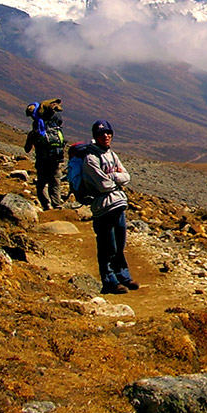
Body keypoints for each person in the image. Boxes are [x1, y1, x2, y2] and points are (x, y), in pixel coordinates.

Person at [81, 119, 138, 294]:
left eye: (108, 133)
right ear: (95, 137)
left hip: (118, 204)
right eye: (101, 134)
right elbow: (103, 185)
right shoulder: (90, 159)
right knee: (107, 245)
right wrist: (116, 177)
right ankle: (110, 280)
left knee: (120, 244)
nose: (106, 136)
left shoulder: (112, 154)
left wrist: (111, 176)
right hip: (103, 207)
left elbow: (126, 176)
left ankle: (123, 276)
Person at [24, 98, 66, 210]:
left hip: (42, 159)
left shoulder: (36, 128)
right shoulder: (56, 122)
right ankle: (57, 204)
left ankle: (47, 205)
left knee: (42, 183)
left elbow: (27, 149)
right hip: (56, 157)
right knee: (55, 181)